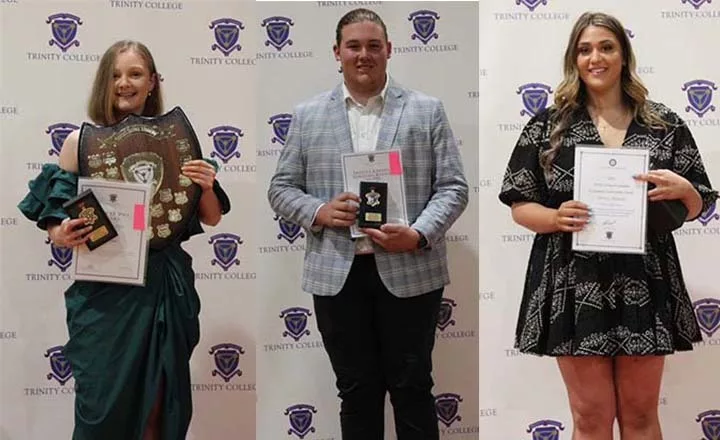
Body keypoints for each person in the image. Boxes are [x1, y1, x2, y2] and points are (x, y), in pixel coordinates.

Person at [499, 12, 717, 440]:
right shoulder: (549, 125)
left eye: (606, 47)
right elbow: (519, 204)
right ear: (573, 59)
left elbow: (697, 204)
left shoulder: (663, 123)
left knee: (639, 417)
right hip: (572, 281)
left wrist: (684, 190)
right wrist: (555, 217)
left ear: (623, 55)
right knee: (591, 418)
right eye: (585, 49)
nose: (595, 57)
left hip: (645, 277)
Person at [267, 8, 468, 440]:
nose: (364, 55)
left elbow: (453, 187)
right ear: (336, 53)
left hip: (410, 270)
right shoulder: (307, 115)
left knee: (413, 389)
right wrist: (319, 212)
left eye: (373, 46)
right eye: (353, 46)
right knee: (356, 392)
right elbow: (281, 189)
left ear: (389, 51)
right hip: (338, 274)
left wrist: (417, 234)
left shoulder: (426, 110)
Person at [18, 40, 230, 440]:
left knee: (158, 407)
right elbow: (55, 218)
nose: (124, 83)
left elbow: (212, 217)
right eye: (115, 74)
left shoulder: (179, 140)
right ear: (104, 82)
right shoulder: (77, 143)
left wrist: (206, 186)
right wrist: (60, 232)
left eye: (134, 74)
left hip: (164, 286)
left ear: (152, 82)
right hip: (105, 292)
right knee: (100, 411)